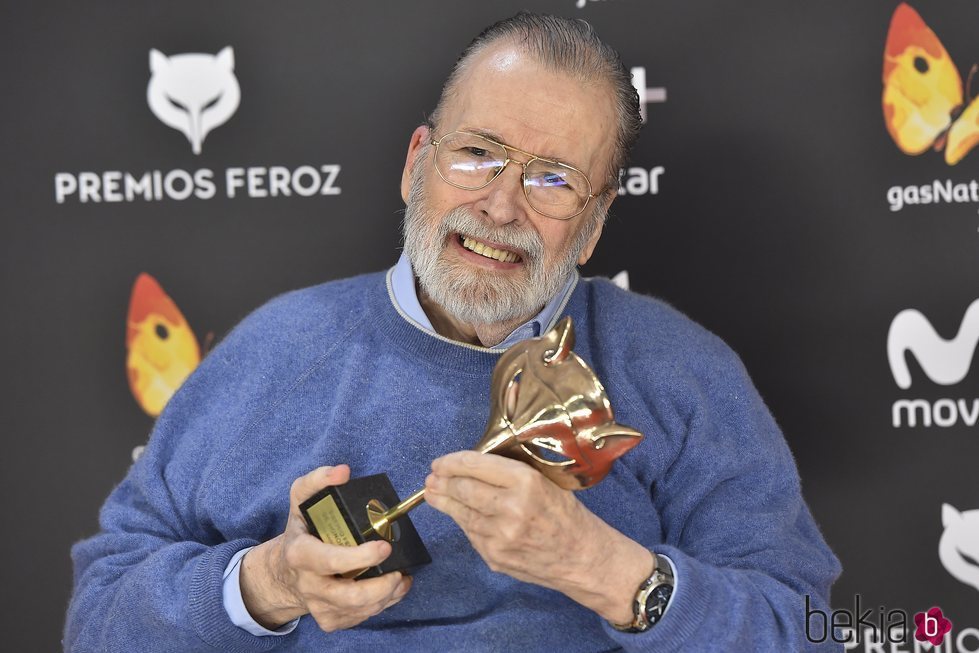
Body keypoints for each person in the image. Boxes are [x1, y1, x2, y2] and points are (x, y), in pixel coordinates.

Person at [65, 13, 841, 652]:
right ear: (416, 165)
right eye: (477, 154)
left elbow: (805, 629)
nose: (502, 206)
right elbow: (100, 618)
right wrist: (268, 583)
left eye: (552, 178)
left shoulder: (680, 369)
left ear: (593, 225)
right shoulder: (276, 349)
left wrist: (606, 569)